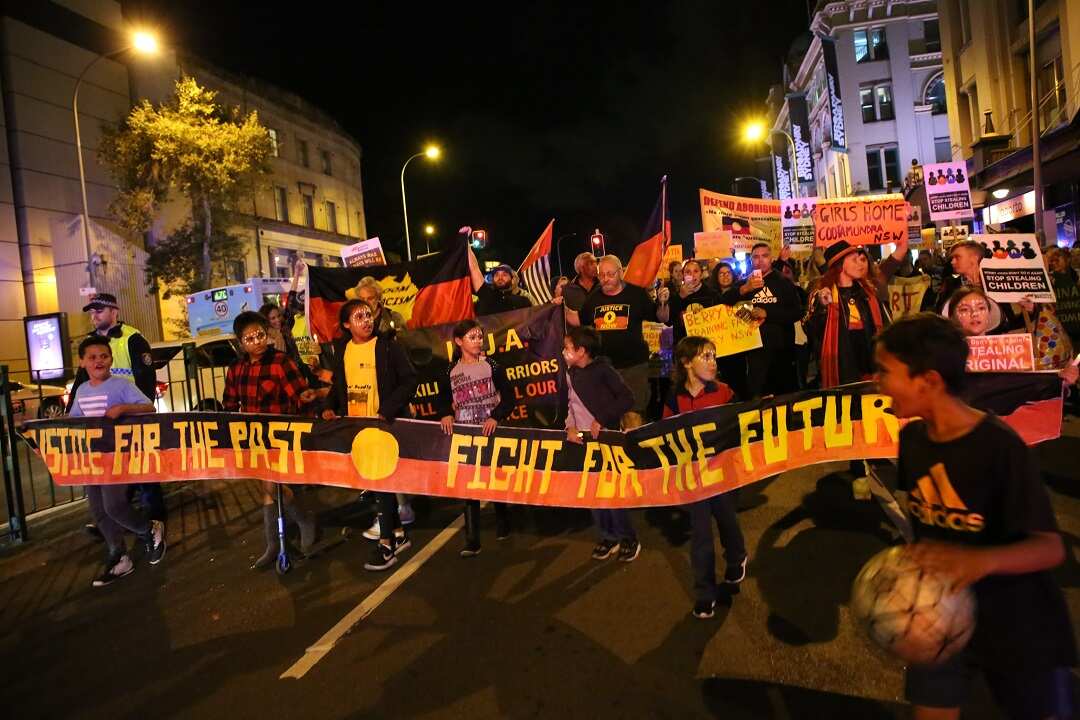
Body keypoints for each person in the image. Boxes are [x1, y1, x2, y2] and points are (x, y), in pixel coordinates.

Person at [874, 313, 1075, 720]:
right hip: (940, 618)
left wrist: (978, 561)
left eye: (884, 371)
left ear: (929, 381)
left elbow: (1050, 548)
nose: (877, 382)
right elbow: (925, 527)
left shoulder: (999, 447)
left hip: (1016, 622)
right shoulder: (912, 440)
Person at [322, 299, 418, 571]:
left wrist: (386, 411)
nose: (366, 320)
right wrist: (328, 407)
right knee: (377, 482)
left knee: (380, 482)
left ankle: (386, 544)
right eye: (359, 317)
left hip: (384, 426)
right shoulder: (343, 350)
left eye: (368, 315)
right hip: (358, 428)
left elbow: (410, 380)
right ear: (346, 325)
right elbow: (340, 385)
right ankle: (398, 534)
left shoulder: (387, 346)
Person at [223, 311, 319, 569]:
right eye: (250, 338)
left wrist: (308, 396)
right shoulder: (236, 369)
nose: (257, 341)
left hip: (281, 436)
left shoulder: (280, 361)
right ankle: (274, 543)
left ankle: (303, 522)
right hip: (254, 438)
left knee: (272, 486)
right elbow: (229, 404)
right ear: (240, 343)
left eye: (260, 335)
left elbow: (299, 393)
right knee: (267, 490)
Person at [68, 335, 164, 587]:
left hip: (118, 457)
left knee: (113, 506)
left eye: (104, 356)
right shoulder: (82, 390)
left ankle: (148, 529)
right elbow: (73, 421)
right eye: (92, 357)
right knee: (98, 510)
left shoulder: (121, 385)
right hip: (92, 459)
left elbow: (148, 407)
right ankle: (119, 556)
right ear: (82, 362)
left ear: (111, 359)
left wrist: (122, 409)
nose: (99, 361)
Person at [662, 336, 748, 619]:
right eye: (706, 356)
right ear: (686, 362)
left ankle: (736, 558)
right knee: (700, 536)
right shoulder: (674, 398)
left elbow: (742, 425)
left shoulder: (724, 392)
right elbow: (664, 435)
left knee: (728, 522)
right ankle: (705, 593)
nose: (713, 363)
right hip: (694, 480)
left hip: (723, 477)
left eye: (714, 356)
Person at [71, 292, 166, 531]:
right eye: (91, 312)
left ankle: (155, 522)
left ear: (114, 312)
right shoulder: (90, 343)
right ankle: (115, 521)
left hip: (131, 419)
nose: (94, 316)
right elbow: (81, 382)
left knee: (143, 473)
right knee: (114, 474)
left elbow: (145, 379)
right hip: (105, 425)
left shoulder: (132, 338)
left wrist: (138, 413)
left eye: (99, 311)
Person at [558, 326, 638, 562]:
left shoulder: (603, 370)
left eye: (567, 348)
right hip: (584, 443)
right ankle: (608, 537)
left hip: (607, 440)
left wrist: (602, 419)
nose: (563, 352)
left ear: (581, 351)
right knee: (593, 493)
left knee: (612, 492)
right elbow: (570, 405)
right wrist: (570, 427)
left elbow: (627, 398)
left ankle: (628, 538)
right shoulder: (570, 373)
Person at [437, 319, 515, 556]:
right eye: (472, 337)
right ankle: (472, 540)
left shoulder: (492, 366)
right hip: (465, 435)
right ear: (459, 342)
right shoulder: (450, 371)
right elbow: (442, 399)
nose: (478, 341)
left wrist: (496, 417)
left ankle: (503, 522)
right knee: (468, 485)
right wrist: (446, 414)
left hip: (490, 432)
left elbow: (510, 397)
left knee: (495, 478)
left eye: (480, 336)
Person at [352, 275, 415, 527]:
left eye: (371, 298)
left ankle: (401, 508)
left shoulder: (393, 319)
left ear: (379, 298)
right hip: (368, 401)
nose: (367, 303)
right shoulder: (356, 327)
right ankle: (389, 512)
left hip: (392, 397)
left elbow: (408, 357)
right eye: (362, 300)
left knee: (395, 453)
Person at [562, 255, 659, 416]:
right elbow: (578, 319)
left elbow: (659, 317)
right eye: (601, 275)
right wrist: (561, 308)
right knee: (609, 416)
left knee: (633, 415)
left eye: (610, 274)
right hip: (605, 369)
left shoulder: (637, 294)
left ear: (620, 273)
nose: (605, 279)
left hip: (633, 367)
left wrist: (663, 303)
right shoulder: (594, 298)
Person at [721, 243, 805, 398]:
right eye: (756, 257)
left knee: (784, 396)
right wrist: (745, 289)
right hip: (754, 352)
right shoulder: (745, 283)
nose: (760, 260)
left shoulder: (784, 282)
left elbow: (797, 312)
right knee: (758, 396)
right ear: (751, 260)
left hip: (781, 350)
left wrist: (768, 313)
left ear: (771, 258)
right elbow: (723, 302)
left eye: (765, 256)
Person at [656, 259, 719, 344]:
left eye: (696, 271)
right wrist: (680, 297)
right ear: (683, 275)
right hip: (684, 344)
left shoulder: (712, 294)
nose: (692, 275)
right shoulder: (674, 295)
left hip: (706, 343)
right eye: (688, 272)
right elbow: (667, 321)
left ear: (701, 274)